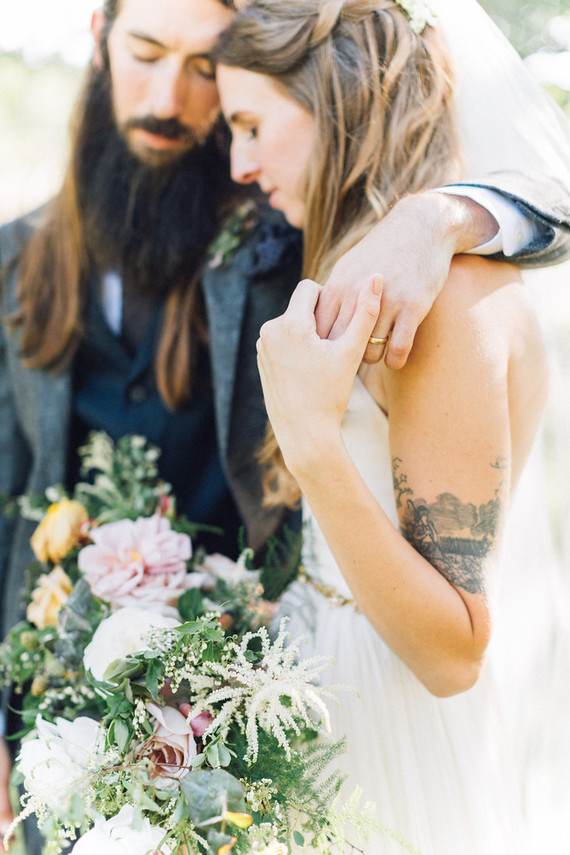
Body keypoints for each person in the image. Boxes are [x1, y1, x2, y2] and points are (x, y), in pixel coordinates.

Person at [1, 0, 569, 849]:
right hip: (75, 708)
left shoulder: (291, 222)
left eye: (204, 70)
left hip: (282, 710)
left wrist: (440, 216)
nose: (170, 99)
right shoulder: (16, 253)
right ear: (98, 40)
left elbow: (546, 195)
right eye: (146, 53)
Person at [214, 1, 568, 852]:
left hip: (399, 738)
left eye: (252, 124)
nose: (239, 163)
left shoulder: (441, 299)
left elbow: (454, 652)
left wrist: (310, 441)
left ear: (336, 99)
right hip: (331, 682)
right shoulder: (367, 264)